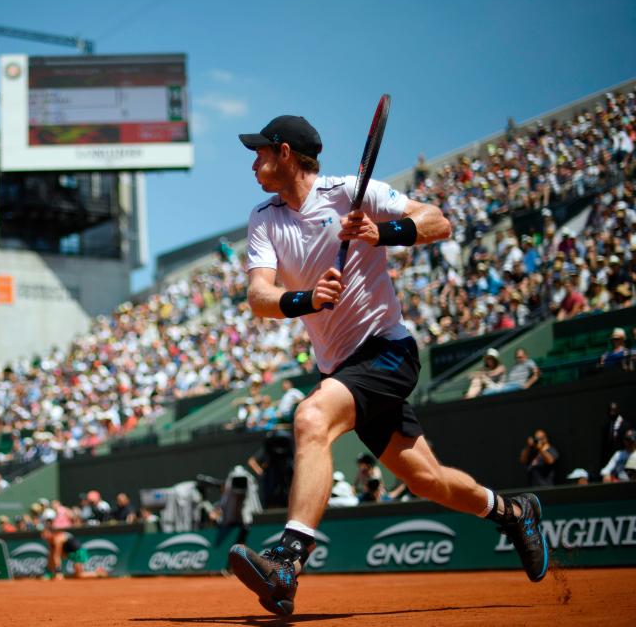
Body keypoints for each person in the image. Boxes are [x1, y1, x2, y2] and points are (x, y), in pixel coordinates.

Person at [227, 115, 547, 617]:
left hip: (387, 351)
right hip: (340, 369)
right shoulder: (264, 217)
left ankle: (288, 561)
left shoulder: (350, 191)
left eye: (260, 153)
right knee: (426, 480)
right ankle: (513, 512)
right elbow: (259, 296)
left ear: (285, 153)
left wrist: (382, 232)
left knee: (311, 419)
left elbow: (438, 221)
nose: (253, 162)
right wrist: (306, 299)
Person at [39, 524, 107, 580]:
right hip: (69, 553)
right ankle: (50, 573)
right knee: (51, 555)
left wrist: (58, 572)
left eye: (44, 533)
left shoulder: (57, 539)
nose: (42, 535)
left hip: (79, 554)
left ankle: (99, 573)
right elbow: (53, 556)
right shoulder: (51, 541)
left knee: (80, 575)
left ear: (50, 533)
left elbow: (57, 556)